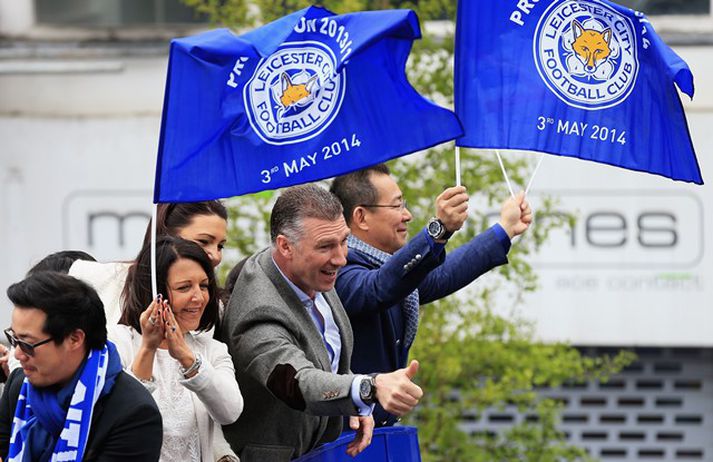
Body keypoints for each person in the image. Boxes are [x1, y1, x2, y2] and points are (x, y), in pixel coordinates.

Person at [220, 184, 423, 461]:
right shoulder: (257, 309)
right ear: (285, 246)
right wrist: (368, 387)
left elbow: (330, 359)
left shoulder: (312, 272)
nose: (341, 258)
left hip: (322, 450)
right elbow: (298, 382)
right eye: (326, 246)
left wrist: (354, 403)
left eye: (344, 241)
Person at [330, 164, 532, 426]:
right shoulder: (338, 270)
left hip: (385, 434)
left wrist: (504, 229)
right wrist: (439, 230)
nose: (408, 215)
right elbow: (379, 287)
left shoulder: (388, 270)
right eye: (397, 206)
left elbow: (441, 276)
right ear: (361, 217)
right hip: (348, 439)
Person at [0, 271, 163, 461]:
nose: (18, 354)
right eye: (14, 339)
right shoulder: (19, 386)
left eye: (27, 344)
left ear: (74, 339)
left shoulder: (133, 414)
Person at [112, 236, 243, 462]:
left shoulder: (213, 350)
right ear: (154, 292)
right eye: (184, 287)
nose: (198, 297)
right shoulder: (117, 343)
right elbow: (121, 417)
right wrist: (148, 348)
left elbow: (230, 412)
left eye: (203, 285)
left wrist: (186, 357)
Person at [69, 200, 228, 326]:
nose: (215, 256)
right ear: (167, 237)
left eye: (220, 246)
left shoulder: (214, 309)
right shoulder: (93, 278)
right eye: (203, 241)